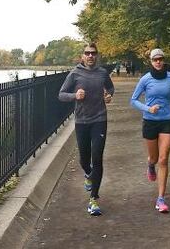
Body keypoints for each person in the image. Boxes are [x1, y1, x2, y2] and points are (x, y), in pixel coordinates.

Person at [58, 42, 115, 216]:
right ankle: (88, 174)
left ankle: (94, 199)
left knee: (97, 157)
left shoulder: (102, 73)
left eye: (93, 53)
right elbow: (61, 94)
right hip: (82, 121)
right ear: (82, 56)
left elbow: (110, 87)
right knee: (85, 160)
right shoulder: (75, 74)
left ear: (96, 56)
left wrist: (109, 94)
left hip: (100, 119)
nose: (90, 56)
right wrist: (75, 95)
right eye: (87, 53)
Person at [130, 48, 170, 213]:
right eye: (155, 59)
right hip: (150, 121)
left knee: (164, 159)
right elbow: (134, 100)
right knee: (154, 157)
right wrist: (148, 108)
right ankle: (150, 165)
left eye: (160, 59)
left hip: (167, 120)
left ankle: (161, 199)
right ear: (151, 62)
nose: (158, 62)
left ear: (163, 60)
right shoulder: (146, 79)